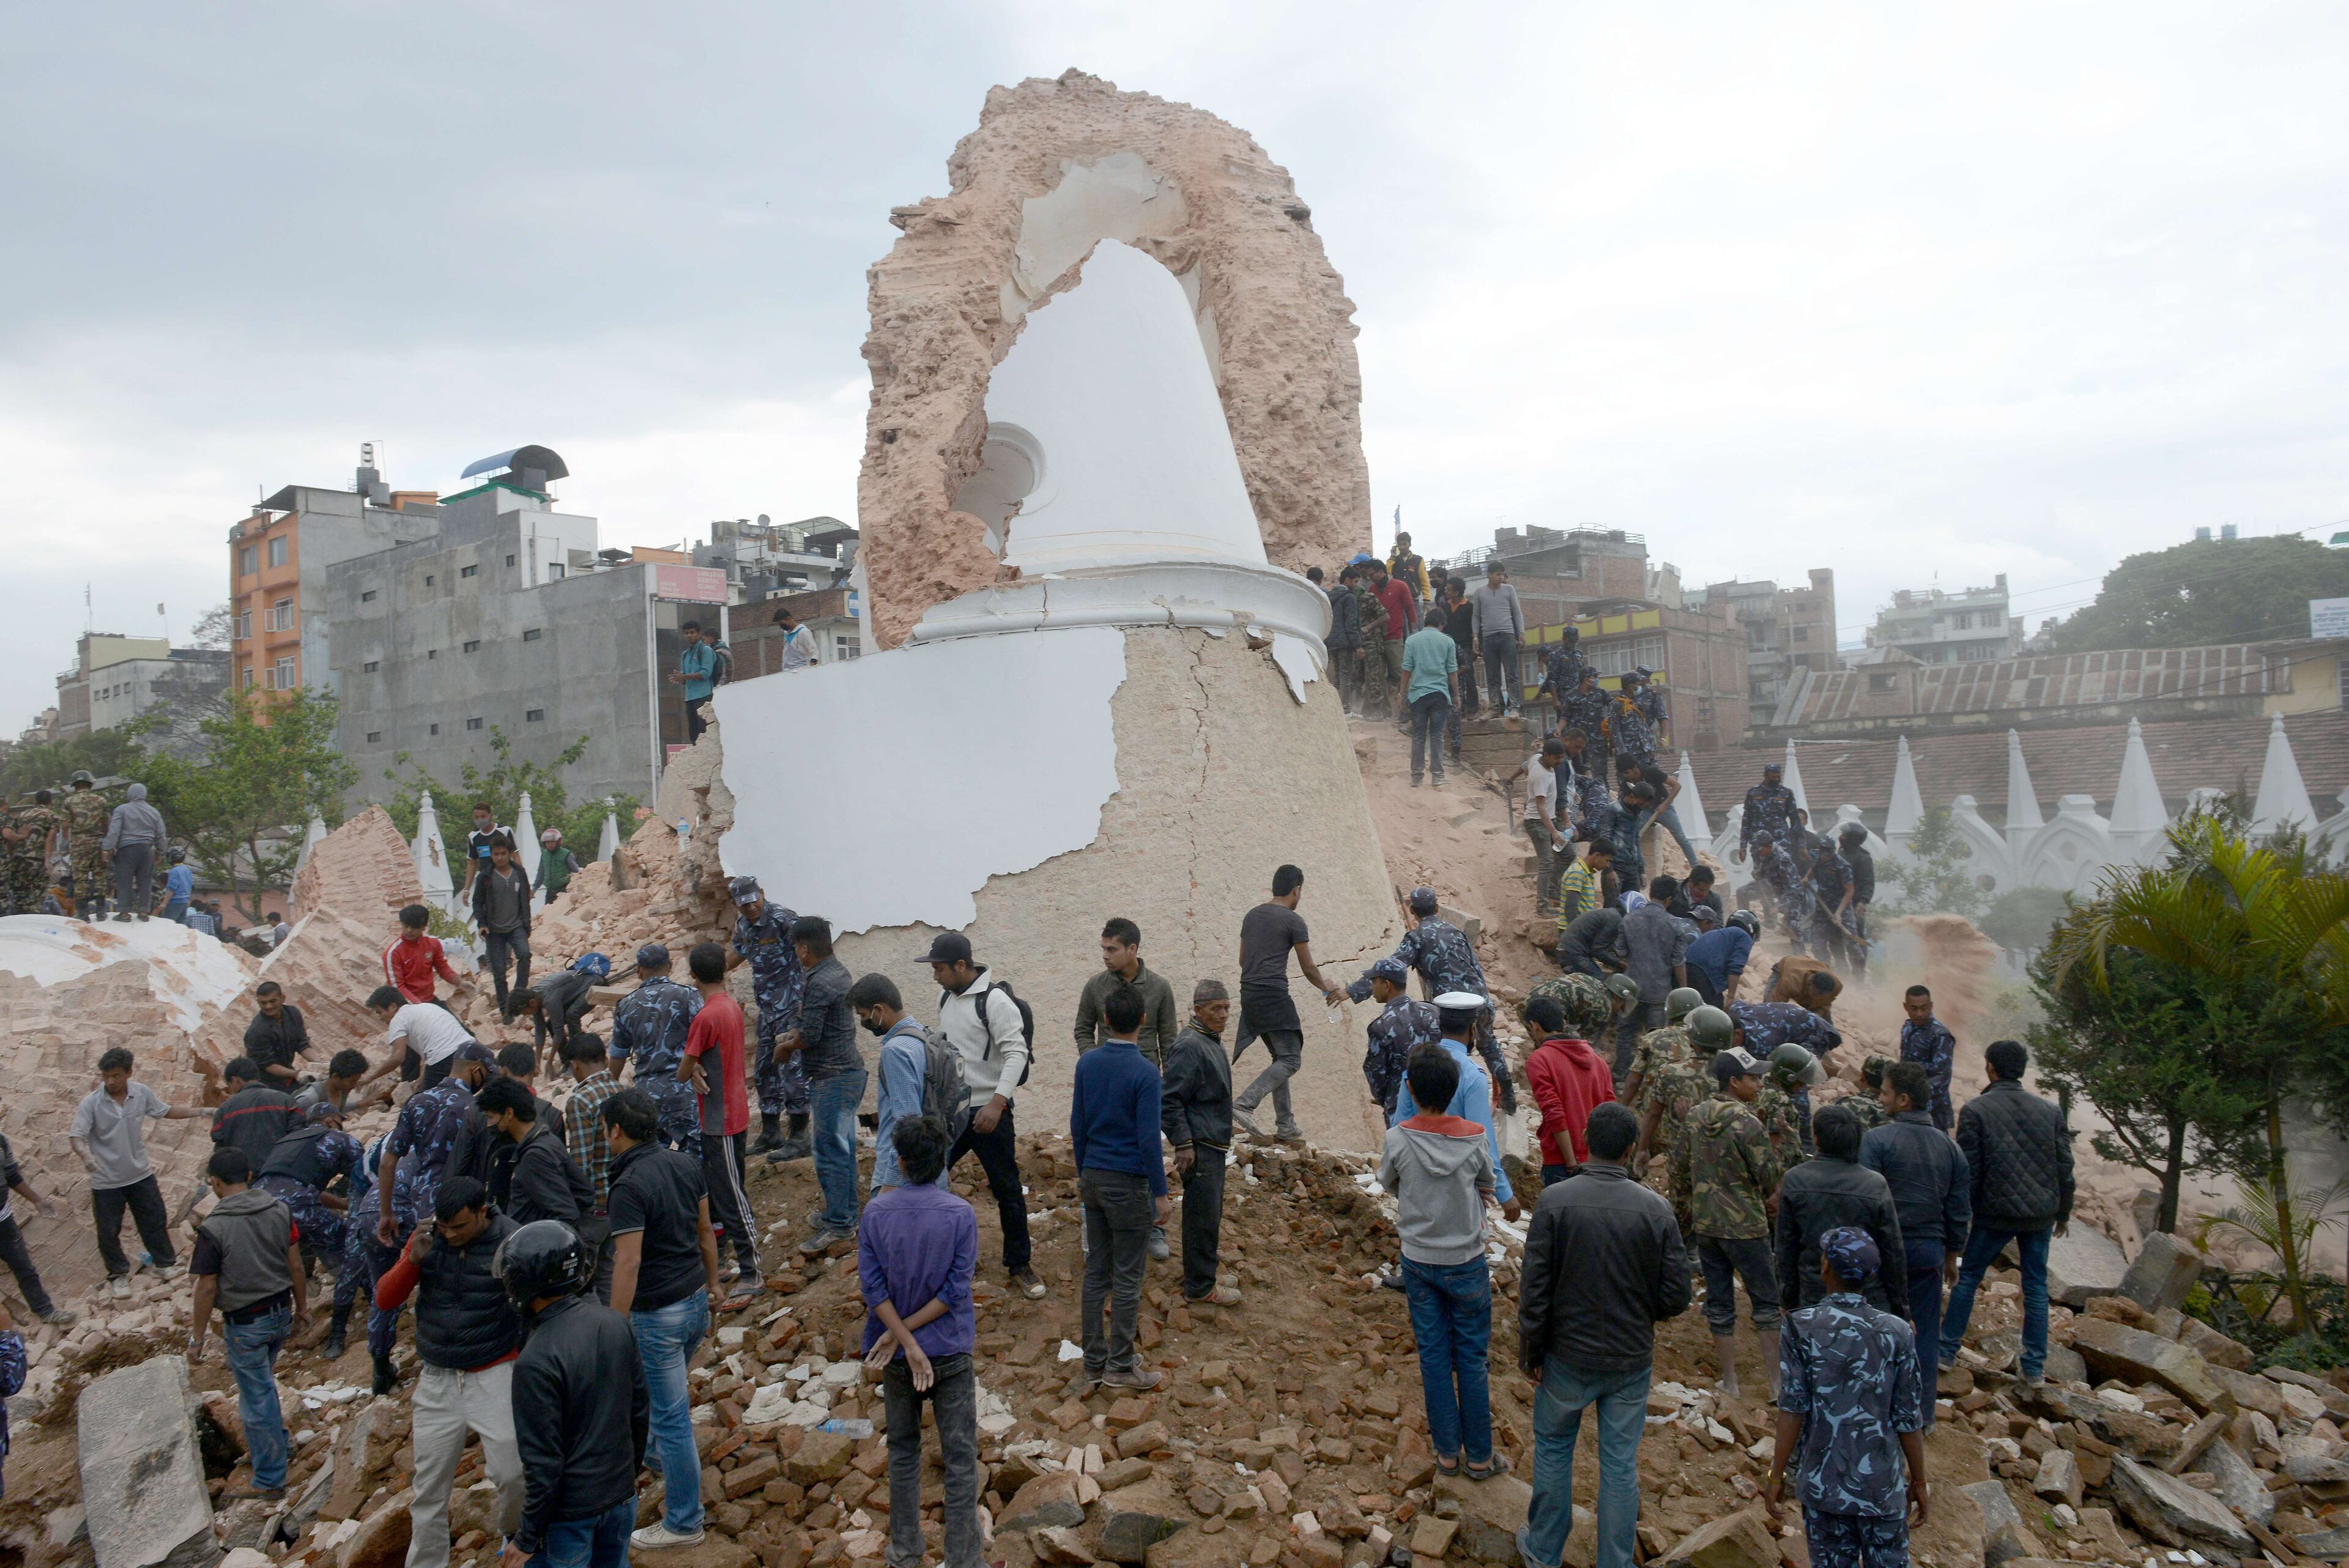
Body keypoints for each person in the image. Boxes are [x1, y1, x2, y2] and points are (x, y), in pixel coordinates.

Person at [1516, 1101, 1690, 1568]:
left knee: (1553, 1447)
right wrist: (1639, 1310)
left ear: (1587, 1139)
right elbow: (1676, 1294)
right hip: (1629, 1359)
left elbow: (1535, 1287)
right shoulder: (1656, 1209)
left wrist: (1531, 1349)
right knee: (1619, 1464)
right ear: (1632, 1148)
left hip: (1565, 1355)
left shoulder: (1555, 1201)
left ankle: (1543, 1552)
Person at [372, 1177, 524, 1568]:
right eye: (445, 1227)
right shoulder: (427, 1239)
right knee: (428, 1492)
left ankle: (518, 1537)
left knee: (511, 1473)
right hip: (438, 1380)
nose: (452, 1235)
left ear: (482, 1212)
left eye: (460, 1226)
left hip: (495, 1371)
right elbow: (386, 1298)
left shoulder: (512, 1241)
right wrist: (412, 1260)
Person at [603, 1088, 724, 1551]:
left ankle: (683, 1520)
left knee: (672, 1417)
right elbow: (706, 1235)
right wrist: (714, 1286)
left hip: (658, 1316)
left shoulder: (628, 1186)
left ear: (615, 1129)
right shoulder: (684, 1164)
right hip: (694, 1300)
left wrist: (614, 1327)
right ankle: (663, 1459)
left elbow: (628, 1263)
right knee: (664, 1406)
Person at [858, 1115, 983, 1568]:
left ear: (900, 1161)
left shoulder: (875, 1213)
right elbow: (955, 1291)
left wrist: (899, 1337)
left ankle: (906, 1552)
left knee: (904, 1451)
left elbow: (873, 1290)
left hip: (893, 1355)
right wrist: (911, 1339)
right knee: (960, 1458)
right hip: (948, 1350)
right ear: (941, 1161)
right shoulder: (960, 1214)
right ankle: (965, 1559)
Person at [1380, 1046, 1508, 1481]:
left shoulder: (1397, 1137)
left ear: (1410, 1089)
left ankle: (1448, 1454)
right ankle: (1480, 1458)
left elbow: (1388, 1181)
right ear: (1455, 1089)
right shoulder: (1473, 1136)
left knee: (1434, 1356)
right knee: (1471, 1358)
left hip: (1418, 1260)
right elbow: (1487, 1181)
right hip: (1466, 1260)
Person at [1765, 1228, 1929, 1568]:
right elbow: (1908, 1417)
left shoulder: (1800, 1327)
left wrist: (1776, 1477)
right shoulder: (1897, 1332)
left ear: (1826, 1267)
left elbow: (1792, 1408)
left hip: (1823, 1489)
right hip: (1882, 1490)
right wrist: (1919, 1480)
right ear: (1870, 1276)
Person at [499, 1220, 647, 1568]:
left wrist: (527, 1537)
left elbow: (544, 1463)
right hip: (620, 1501)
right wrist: (628, 1478)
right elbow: (639, 1413)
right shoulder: (615, 1324)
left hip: (570, 1518)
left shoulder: (535, 1361)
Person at [1940, 1040, 2072, 1384]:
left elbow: (1970, 1171)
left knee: (1968, 1278)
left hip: (1993, 1214)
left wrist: (1961, 1217)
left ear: (1990, 1068)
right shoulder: (2050, 1111)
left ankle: (1945, 1352)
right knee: (2037, 1288)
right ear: (2023, 1070)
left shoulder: (1976, 1110)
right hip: (2039, 1216)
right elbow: (2064, 1167)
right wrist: (2064, 1213)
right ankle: (2034, 1369)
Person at [371, 1044, 496, 1394]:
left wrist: (386, 1213)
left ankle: (385, 1364)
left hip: (419, 1205)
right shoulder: (475, 1108)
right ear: (475, 1071)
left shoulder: (417, 1101)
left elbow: (388, 1163)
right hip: (461, 1208)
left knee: (410, 1273)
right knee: (457, 1280)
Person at [926, 933, 1044, 1298]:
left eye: (940, 970)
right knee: (929, 1178)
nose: (936, 977)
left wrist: (996, 1103)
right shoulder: (947, 998)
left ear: (962, 966)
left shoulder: (995, 1002)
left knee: (1007, 1188)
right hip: (953, 1111)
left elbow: (1016, 1053)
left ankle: (1020, 1264)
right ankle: (935, 1260)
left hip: (990, 1112)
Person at [1069, 986, 1171, 1392]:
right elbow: (1149, 1139)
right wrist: (1160, 1193)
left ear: (1105, 1020)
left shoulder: (1088, 1063)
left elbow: (1078, 1124)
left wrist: (1085, 1171)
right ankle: (1121, 1366)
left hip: (1093, 1176)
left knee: (1097, 1273)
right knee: (1128, 1277)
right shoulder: (1146, 1072)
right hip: (1128, 1183)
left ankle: (1094, 1363)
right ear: (1143, 1021)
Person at [187, 1149, 303, 1500]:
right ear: (250, 1175)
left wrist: (197, 1338)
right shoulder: (280, 1210)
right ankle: (280, 1446)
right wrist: (305, 1309)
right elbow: (296, 1265)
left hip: (247, 1323)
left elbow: (207, 1286)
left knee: (256, 1398)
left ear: (215, 1183)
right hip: (281, 1313)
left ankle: (270, 1479)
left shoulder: (213, 1228)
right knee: (264, 1385)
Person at [1860, 1061, 1970, 1420]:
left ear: (1903, 1100)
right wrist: (1952, 1255)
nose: (1881, 1098)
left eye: (1886, 1092)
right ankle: (1919, 1415)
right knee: (1923, 1333)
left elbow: (1866, 1199)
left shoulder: (1876, 1140)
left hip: (1882, 1250)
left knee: (1874, 1326)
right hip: (1928, 1252)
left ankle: (1872, 1409)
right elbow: (1958, 1209)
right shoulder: (1950, 1149)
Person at [1674, 1047, 1785, 1399]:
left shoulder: (1694, 1117)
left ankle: (1731, 1382)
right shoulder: (1749, 1124)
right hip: (1747, 1227)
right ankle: (1776, 1384)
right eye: (1754, 1078)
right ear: (1734, 1082)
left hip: (1708, 1226)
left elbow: (1679, 1170)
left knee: (1720, 1304)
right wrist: (1778, 1145)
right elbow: (1768, 1176)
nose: (1759, 1083)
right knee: (1766, 1304)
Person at [72, 1047, 198, 1299]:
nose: (110, 1082)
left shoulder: (141, 1094)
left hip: (139, 1173)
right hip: (106, 1180)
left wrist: (200, 1112)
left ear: (129, 1072)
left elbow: (165, 1111)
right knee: (108, 1232)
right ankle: (118, 1276)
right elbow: (77, 1136)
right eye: (106, 1076)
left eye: (116, 1076)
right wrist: (86, 1155)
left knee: (154, 1219)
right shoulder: (91, 1103)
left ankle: (165, 1264)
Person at [1231, 865, 1345, 1142]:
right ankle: (1245, 1104)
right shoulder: (1294, 920)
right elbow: (1308, 968)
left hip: (1249, 994)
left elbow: (1243, 960)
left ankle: (1286, 1126)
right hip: (1273, 995)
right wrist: (1326, 986)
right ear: (1297, 890)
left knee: (1280, 1058)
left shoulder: (1252, 916)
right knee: (1291, 1060)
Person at [1775, 1105, 1909, 1319]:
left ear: (1817, 1139)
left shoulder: (1795, 1180)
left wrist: (1787, 1300)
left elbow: (1785, 1248)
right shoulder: (1875, 1185)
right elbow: (1893, 1253)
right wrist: (1902, 1311)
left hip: (1814, 1294)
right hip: (1868, 1296)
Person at [680, 941, 762, 1280]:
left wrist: (693, 1067)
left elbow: (683, 1071)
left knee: (732, 1198)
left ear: (694, 976)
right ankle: (733, 1264)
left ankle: (752, 1271)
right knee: (726, 1192)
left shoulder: (706, 1016)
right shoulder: (730, 1006)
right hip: (734, 1113)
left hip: (720, 1120)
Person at [258, 1102, 366, 1357]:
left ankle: (277, 1325)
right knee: (344, 1239)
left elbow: (300, 1187)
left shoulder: (288, 1142)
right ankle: (365, 1295)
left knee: (276, 1263)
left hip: (261, 1209)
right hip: (297, 1210)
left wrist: (342, 1204)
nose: (342, 1126)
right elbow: (369, 1169)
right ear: (329, 1120)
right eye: (340, 1121)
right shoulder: (335, 1138)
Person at [1159, 979, 1239, 1306]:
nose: (1223, 1015)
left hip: (1211, 1143)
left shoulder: (1208, 1039)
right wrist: (1183, 1143)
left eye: (1226, 1009)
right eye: (1215, 1009)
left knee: (1208, 1214)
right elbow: (1170, 1100)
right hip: (1201, 1147)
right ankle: (1201, 1287)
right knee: (1201, 1217)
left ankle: (1202, 1272)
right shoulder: (1191, 1045)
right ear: (1197, 1011)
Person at [786, 917, 864, 1250]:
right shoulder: (837, 970)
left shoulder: (819, 981)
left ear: (804, 949)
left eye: (796, 948)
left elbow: (809, 1036)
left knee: (830, 1152)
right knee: (841, 1149)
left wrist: (783, 1045)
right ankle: (844, 1212)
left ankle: (840, 1224)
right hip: (846, 1074)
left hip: (833, 1079)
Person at [725, 877, 809, 1161]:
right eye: (744, 904)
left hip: (791, 1007)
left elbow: (809, 958)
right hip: (768, 1011)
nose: (750, 907)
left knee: (792, 1071)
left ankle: (800, 1136)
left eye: (753, 900)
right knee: (763, 1070)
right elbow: (736, 955)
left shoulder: (783, 920)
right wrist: (710, 970)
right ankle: (771, 1132)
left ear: (762, 893)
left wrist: (804, 1006)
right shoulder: (744, 926)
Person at [854, 974, 947, 1193]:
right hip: (932, 1170)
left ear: (879, 1010)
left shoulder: (896, 1051)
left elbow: (906, 1124)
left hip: (904, 1179)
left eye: (864, 1015)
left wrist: (889, 1186)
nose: (863, 1022)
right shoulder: (925, 1036)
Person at [608, 944, 703, 1154]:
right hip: (683, 1089)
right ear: (670, 966)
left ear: (638, 971)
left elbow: (618, 1054)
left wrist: (609, 1089)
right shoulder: (688, 996)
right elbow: (704, 1039)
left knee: (650, 1155)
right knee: (695, 1153)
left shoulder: (625, 1004)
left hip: (646, 1096)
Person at [1523, 994, 1616, 1186]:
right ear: (1564, 1024)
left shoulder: (1540, 1060)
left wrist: (1572, 1163)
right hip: (1598, 1160)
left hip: (1562, 1162)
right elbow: (1610, 1110)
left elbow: (1554, 1113)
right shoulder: (1598, 1062)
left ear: (1535, 1026)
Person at [480, 1078, 593, 1228]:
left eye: (490, 1117)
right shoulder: (546, 1140)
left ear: (508, 1113)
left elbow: (565, 1215)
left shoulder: (535, 1156)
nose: (489, 1125)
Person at [1075, 917, 1180, 1068]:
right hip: (1106, 1071)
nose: (1105, 955)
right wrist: (1093, 1061)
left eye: (1112, 949)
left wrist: (1169, 1084)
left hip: (1145, 1074)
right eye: (1103, 948)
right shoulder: (1096, 985)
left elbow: (1168, 1039)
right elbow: (1083, 1030)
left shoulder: (1159, 987)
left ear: (1132, 949)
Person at [1619, 879, 1693, 1078]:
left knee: (1626, 1034)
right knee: (1656, 1040)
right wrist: (1684, 990)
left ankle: (1620, 1077)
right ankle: (1651, 1080)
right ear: (1669, 899)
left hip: (1632, 990)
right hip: (1660, 994)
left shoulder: (1629, 919)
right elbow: (1678, 962)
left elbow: (1621, 952)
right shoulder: (1675, 924)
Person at [1354, 957, 1442, 1123]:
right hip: (1437, 1100)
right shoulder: (1431, 1011)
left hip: (1401, 1106)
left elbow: (1375, 1072)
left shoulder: (1380, 1026)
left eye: (1374, 982)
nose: (1372, 987)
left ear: (1387, 985)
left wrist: (1385, 1099)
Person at [0, 1129, 69, 1325]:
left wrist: (37, 1200)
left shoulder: (1, 1142)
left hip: (3, 1219)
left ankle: (46, 1312)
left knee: (24, 1268)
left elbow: (11, 1175)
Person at [369, 985, 476, 1092]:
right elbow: (437, 1048)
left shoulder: (398, 1019)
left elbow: (397, 1058)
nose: (380, 1018)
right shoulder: (427, 1007)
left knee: (423, 1104)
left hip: (446, 1060)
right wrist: (420, 1081)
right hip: (473, 1048)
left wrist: (370, 1077)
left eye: (379, 1012)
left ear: (393, 1006)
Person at [472, 836, 533, 1019]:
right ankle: (505, 1009)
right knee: (499, 972)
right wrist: (482, 924)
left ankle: (519, 996)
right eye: (496, 854)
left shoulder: (519, 873)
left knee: (524, 955)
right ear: (491, 855)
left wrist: (527, 924)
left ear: (510, 854)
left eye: (503, 854)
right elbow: (477, 902)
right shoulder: (486, 876)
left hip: (517, 926)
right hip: (494, 930)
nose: (500, 858)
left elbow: (525, 899)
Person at [1401, 606, 1460, 786]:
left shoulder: (1412, 640)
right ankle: (1437, 776)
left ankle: (1416, 777)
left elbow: (1406, 669)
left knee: (1418, 735)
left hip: (1418, 695)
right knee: (1437, 735)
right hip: (1440, 695)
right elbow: (1452, 671)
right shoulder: (1447, 641)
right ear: (1441, 624)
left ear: (1426, 622)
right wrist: (1456, 695)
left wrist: (1402, 693)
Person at [212, 1057, 300, 1176]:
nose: (231, 1090)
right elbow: (299, 1136)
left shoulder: (224, 1110)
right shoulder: (286, 1101)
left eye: (230, 1085)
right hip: (281, 1176)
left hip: (243, 1180)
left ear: (236, 1080)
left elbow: (220, 1148)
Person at [1624, 987, 1702, 1112]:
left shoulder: (1652, 1039)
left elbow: (1634, 1081)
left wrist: (1621, 1107)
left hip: (1648, 1117)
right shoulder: (1704, 1043)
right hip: (1685, 1121)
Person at [96, 781, 165, 923]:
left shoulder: (121, 810)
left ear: (129, 795)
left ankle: (125, 913)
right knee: (145, 881)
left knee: (124, 880)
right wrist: (160, 853)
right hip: (147, 851)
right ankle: (144, 912)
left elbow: (114, 832)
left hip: (126, 850)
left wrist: (106, 848)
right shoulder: (154, 812)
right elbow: (161, 835)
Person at [1469, 562, 1526, 718]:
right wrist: (1475, 637)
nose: (1501, 577)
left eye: (1502, 574)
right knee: (1492, 676)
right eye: (1498, 574)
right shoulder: (1480, 592)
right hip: (1488, 638)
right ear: (1489, 574)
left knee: (1511, 674)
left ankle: (1515, 707)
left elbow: (1517, 612)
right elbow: (1476, 616)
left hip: (1507, 636)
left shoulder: (1509, 590)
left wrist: (1521, 633)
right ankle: (1495, 708)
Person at [384, 903, 467, 1008]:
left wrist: (460, 983)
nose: (409, 931)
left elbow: (443, 968)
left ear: (423, 927)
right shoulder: (393, 953)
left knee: (455, 1025)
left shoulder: (432, 944)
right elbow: (397, 987)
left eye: (414, 927)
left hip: (430, 1000)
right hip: (408, 1006)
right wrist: (421, 1007)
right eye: (406, 926)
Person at [1898, 987, 1958, 1133]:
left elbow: (1942, 1077)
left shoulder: (1940, 1035)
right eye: (1914, 1009)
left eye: (1924, 1008)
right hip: (1908, 1106)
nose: (1919, 1014)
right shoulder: (1907, 1028)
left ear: (1931, 1006)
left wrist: (1915, 1095)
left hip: (1932, 1109)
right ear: (1905, 1007)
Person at [1371, 560, 1420, 720]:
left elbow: (1410, 607)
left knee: (1401, 674)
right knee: (1379, 676)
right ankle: (1385, 711)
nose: (1370, 577)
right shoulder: (1372, 590)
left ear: (1381, 572)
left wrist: (1414, 630)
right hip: (1377, 639)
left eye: (1372, 574)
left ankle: (1408, 710)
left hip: (1395, 637)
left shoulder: (1400, 586)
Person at [58, 770, 110, 920]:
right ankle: (101, 911)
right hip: (98, 842)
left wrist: (67, 840)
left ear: (74, 785)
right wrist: (106, 840)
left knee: (80, 878)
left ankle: (83, 913)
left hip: (78, 843)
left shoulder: (68, 802)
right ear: (90, 783)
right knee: (100, 875)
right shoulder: (101, 801)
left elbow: (65, 824)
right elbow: (107, 823)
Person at [1524, 738, 1568, 915]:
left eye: (1562, 758)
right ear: (1548, 756)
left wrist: (1533, 751)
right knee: (1547, 862)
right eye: (1557, 758)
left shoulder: (1538, 760)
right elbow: (1540, 806)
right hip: (1537, 823)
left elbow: (1528, 767)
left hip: (1549, 819)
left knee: (1569, 854)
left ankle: (1552, 889)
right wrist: (1553, 832)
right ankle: (1542, 907)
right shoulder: (1541, 775)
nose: (1560, 762)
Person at [243, 981, 311, 1090]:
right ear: (258, 1003)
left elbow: (302, 1045)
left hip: (286, 1074)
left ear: (283, 998)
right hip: (263, 1083)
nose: (268, 1006)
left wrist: (321, 1065)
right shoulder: (256, 1031)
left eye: (273, 1001)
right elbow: (268, 1065)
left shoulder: (292, 1014)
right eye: (263, 1003)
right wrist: (295, 1074)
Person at [1441, 577, 1481, 757]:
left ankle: (1472, 709)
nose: (1446, 592)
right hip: (1448, 645)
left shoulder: (1469, 607)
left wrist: (1475, 646)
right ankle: (1458, 707)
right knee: (1450, 678)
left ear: (1457, 592)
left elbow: (1475, 628)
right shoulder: (1445, 606)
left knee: (1469, 676)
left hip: (1464, 645)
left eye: (1449, 590)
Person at [1687, 909, 1759, 1009]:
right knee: (1713, 1013)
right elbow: (1735, 968)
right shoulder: (1744, 937)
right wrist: (1731, 997)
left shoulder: (1716, 934)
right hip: (1704, 975)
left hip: (1686, 971)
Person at [1352, 565, 1393, 719]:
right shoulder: (1350, 600)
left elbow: (1386, 617)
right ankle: (1359, 709)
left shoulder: (1368, 598)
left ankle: (1379, 712)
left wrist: (1368, 627)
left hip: (1372, 645)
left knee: (1375, 679)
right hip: (1359, 645)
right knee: (1357, 678)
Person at [1319, 565, 1360, 713]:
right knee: (1345, 676)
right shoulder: (1349, 597)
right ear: (1348, 580)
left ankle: (1334, 708)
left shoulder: (1329, 597)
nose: (1357, 585)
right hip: (1345, 642)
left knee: (1336, 675)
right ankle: (1346, 709)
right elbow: (1351, 624)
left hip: (1331, 641)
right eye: (1356, 582)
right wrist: (1358, 645)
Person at [1740, 763, 1798, 864]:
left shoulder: (1786, 794)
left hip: (1780, 840)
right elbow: (1746, 821)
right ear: (1765, 776)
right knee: (1760, 874)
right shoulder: (1753, 793)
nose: (1776, 780)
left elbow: (1795, 821)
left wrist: (1801, 845)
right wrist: (1743, 846)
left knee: (1782, 870)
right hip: (1759, 842)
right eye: (1773, 777)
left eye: (1778, 777)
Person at [1836, 824, 1874, 977]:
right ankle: (1841, 971)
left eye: (1844, 835)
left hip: (1855, 904)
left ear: (1852, 839)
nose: (1841, 837)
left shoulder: (1863, 858)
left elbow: (1868, 882)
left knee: (1857, 940)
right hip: (1839, 903)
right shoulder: (1840, 853)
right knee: (1836, 938)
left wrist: (1863, 902)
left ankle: (1859, 974)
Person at [295, 1049, 374, 1118]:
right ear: (335, 1077)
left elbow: (336, 1107)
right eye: (352, 1081)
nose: (355, 1085)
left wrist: (362, 1104)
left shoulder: (340, 1090)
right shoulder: (308, 1099)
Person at [1556, 838, 1612, 929]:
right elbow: (1571, 907)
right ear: (1597, 855)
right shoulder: (1577, 873)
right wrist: (1574, 933)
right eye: (1607, 860)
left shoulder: (1588, 873)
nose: (1607, 865)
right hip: (1573, 931)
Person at [459, 803, 513, 897]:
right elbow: (472, 864)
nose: (480, 820)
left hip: (505, 879)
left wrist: (522, 879)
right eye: (476, 817)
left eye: (483, 817)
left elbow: (516, 856)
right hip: (486, 881)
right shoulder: (473, 836)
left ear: (490, 816)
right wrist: (467, 889)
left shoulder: (504, 831)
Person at [534, 828, 582, 906]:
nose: (550, 845)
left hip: (564, 890)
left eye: (552, 842)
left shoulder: (566, 854)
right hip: (550, 892)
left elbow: (576, 871)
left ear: (558, 842)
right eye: (548, 842)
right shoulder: (544, 855)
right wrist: (534, 890)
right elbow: (541, 873)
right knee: (548, 914)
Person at [771, 603, 819, 670]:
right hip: (787, 671)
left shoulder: (803, 632)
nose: (781, 626)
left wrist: (811, 668)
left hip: (801, 669)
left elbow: (814, 652)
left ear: (789, 619)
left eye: (782, 624)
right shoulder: (786, 633)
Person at [1388, 530, 1430, 606]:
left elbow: (1424, 580)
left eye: (1404, 544)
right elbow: (1387, 573)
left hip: (1413, 599)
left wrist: (1426, 600)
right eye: (1400, 545)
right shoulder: (1394, 560)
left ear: (1410, 544)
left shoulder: (1418, 560)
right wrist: (1392, 557)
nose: (1402, 547)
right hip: (1398, 599)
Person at [159, 847, 195, 923]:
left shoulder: (174, 871)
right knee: (180, 927)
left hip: (174, 902)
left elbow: (172, 888)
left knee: (167, 925)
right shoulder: (187, 870)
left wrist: (164, 903)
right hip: (184, 903)